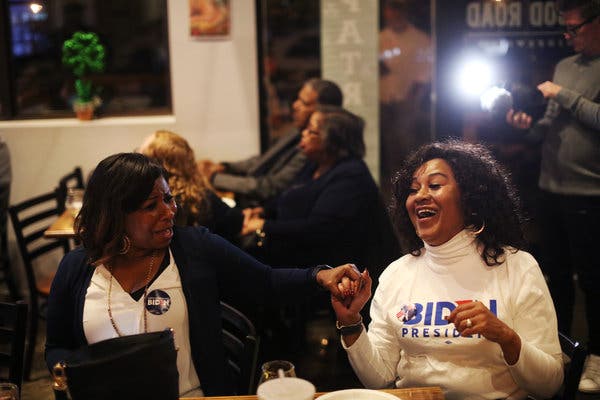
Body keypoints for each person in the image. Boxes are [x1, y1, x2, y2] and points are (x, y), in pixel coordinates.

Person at [44, 152, 361, 397]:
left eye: (169, 198)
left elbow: (265, 282)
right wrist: (70, 374)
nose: (169, 212)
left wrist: (320, 276)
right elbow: (57, 346)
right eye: (151, 205)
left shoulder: (194, 248)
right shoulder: (77, 268)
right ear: (116, 213)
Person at [332, 140, 563, 399]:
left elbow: (549, 385)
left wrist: (505, 336)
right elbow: (379, 378)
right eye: (412, 189)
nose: (419, 196)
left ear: (471, 198)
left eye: (435, 185)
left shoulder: (518, 267)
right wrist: (351, 323)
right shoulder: (397, 274)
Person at [506, 0, 600, 392]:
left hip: (590, 190)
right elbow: (547, 127)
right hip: (551, 186)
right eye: (566, 29)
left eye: (574, 28)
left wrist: (563, 95)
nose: (568, 36)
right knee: (555, 276)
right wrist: (525, 126)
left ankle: (596, 357)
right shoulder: (565, 66)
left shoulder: (569, 79)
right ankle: (558, 348)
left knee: (594, 280)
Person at [242, 106, 400, 274]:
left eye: (312, 132)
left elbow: (318, 229)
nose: (303, 134)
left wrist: (264, 225)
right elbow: (293, 196)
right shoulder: (315, 163)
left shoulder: (352, 175)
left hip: (338, 273)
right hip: (302, 262)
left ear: (333, 143)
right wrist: (263, 211)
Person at [200, 78, 343, 208]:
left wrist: (213, 178)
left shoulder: (314, 149)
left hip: (261, 208)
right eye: (297, 99)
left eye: (304, 103)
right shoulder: (296, 131)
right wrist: (225, 167)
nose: (295, 105)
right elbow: (263, 160)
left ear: (324, 112)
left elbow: (271, 187)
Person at [138, 130, 243, 244]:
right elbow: (236, 222)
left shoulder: (159, 200)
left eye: (141, 153)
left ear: (155, 162)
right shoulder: (201, 194)